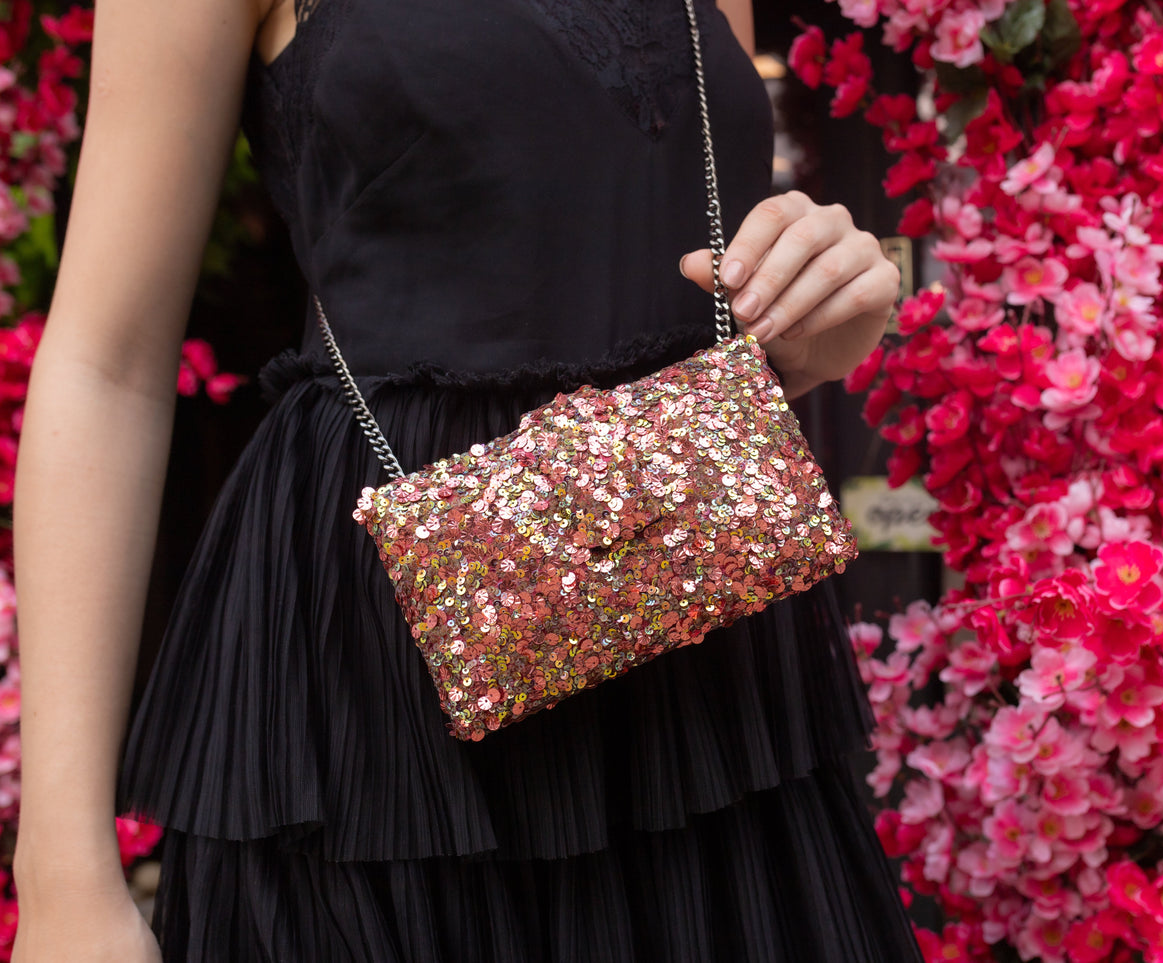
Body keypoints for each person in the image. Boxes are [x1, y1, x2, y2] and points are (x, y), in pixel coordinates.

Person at [9, 0, 919, 958]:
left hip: (699, 682)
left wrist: (815, 326)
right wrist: (63, 877)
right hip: (385, 690)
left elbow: (685, 267)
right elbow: (107, 365)